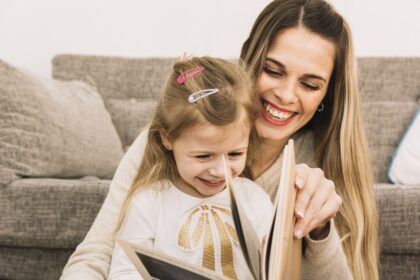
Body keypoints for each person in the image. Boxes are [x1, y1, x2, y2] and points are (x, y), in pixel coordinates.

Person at [61, 0, 378, 279]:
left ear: (327, 95)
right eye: (272, 70)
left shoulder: (320, 164)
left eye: (310, 84)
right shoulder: (165, 144)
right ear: (251, 61)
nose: (285, 94)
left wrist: (319, 233)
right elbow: (99, 255)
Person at [108, 56, 274, 280]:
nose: (219, 170)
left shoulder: (255, 200)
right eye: (203, 156)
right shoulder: (149, 203)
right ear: (168, 139)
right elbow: (125, 271)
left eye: (235, 154)